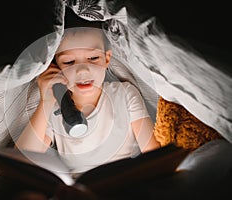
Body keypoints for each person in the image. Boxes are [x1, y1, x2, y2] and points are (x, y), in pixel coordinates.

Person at [15, 27, 160, 174]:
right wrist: (45, 103)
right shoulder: (54, 109)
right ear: (56, 67)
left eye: (93, 58)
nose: (82, 70)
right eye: (69, 62)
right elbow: (21, 160)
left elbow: (154, 155)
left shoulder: (124, 94)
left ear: (107, 58)